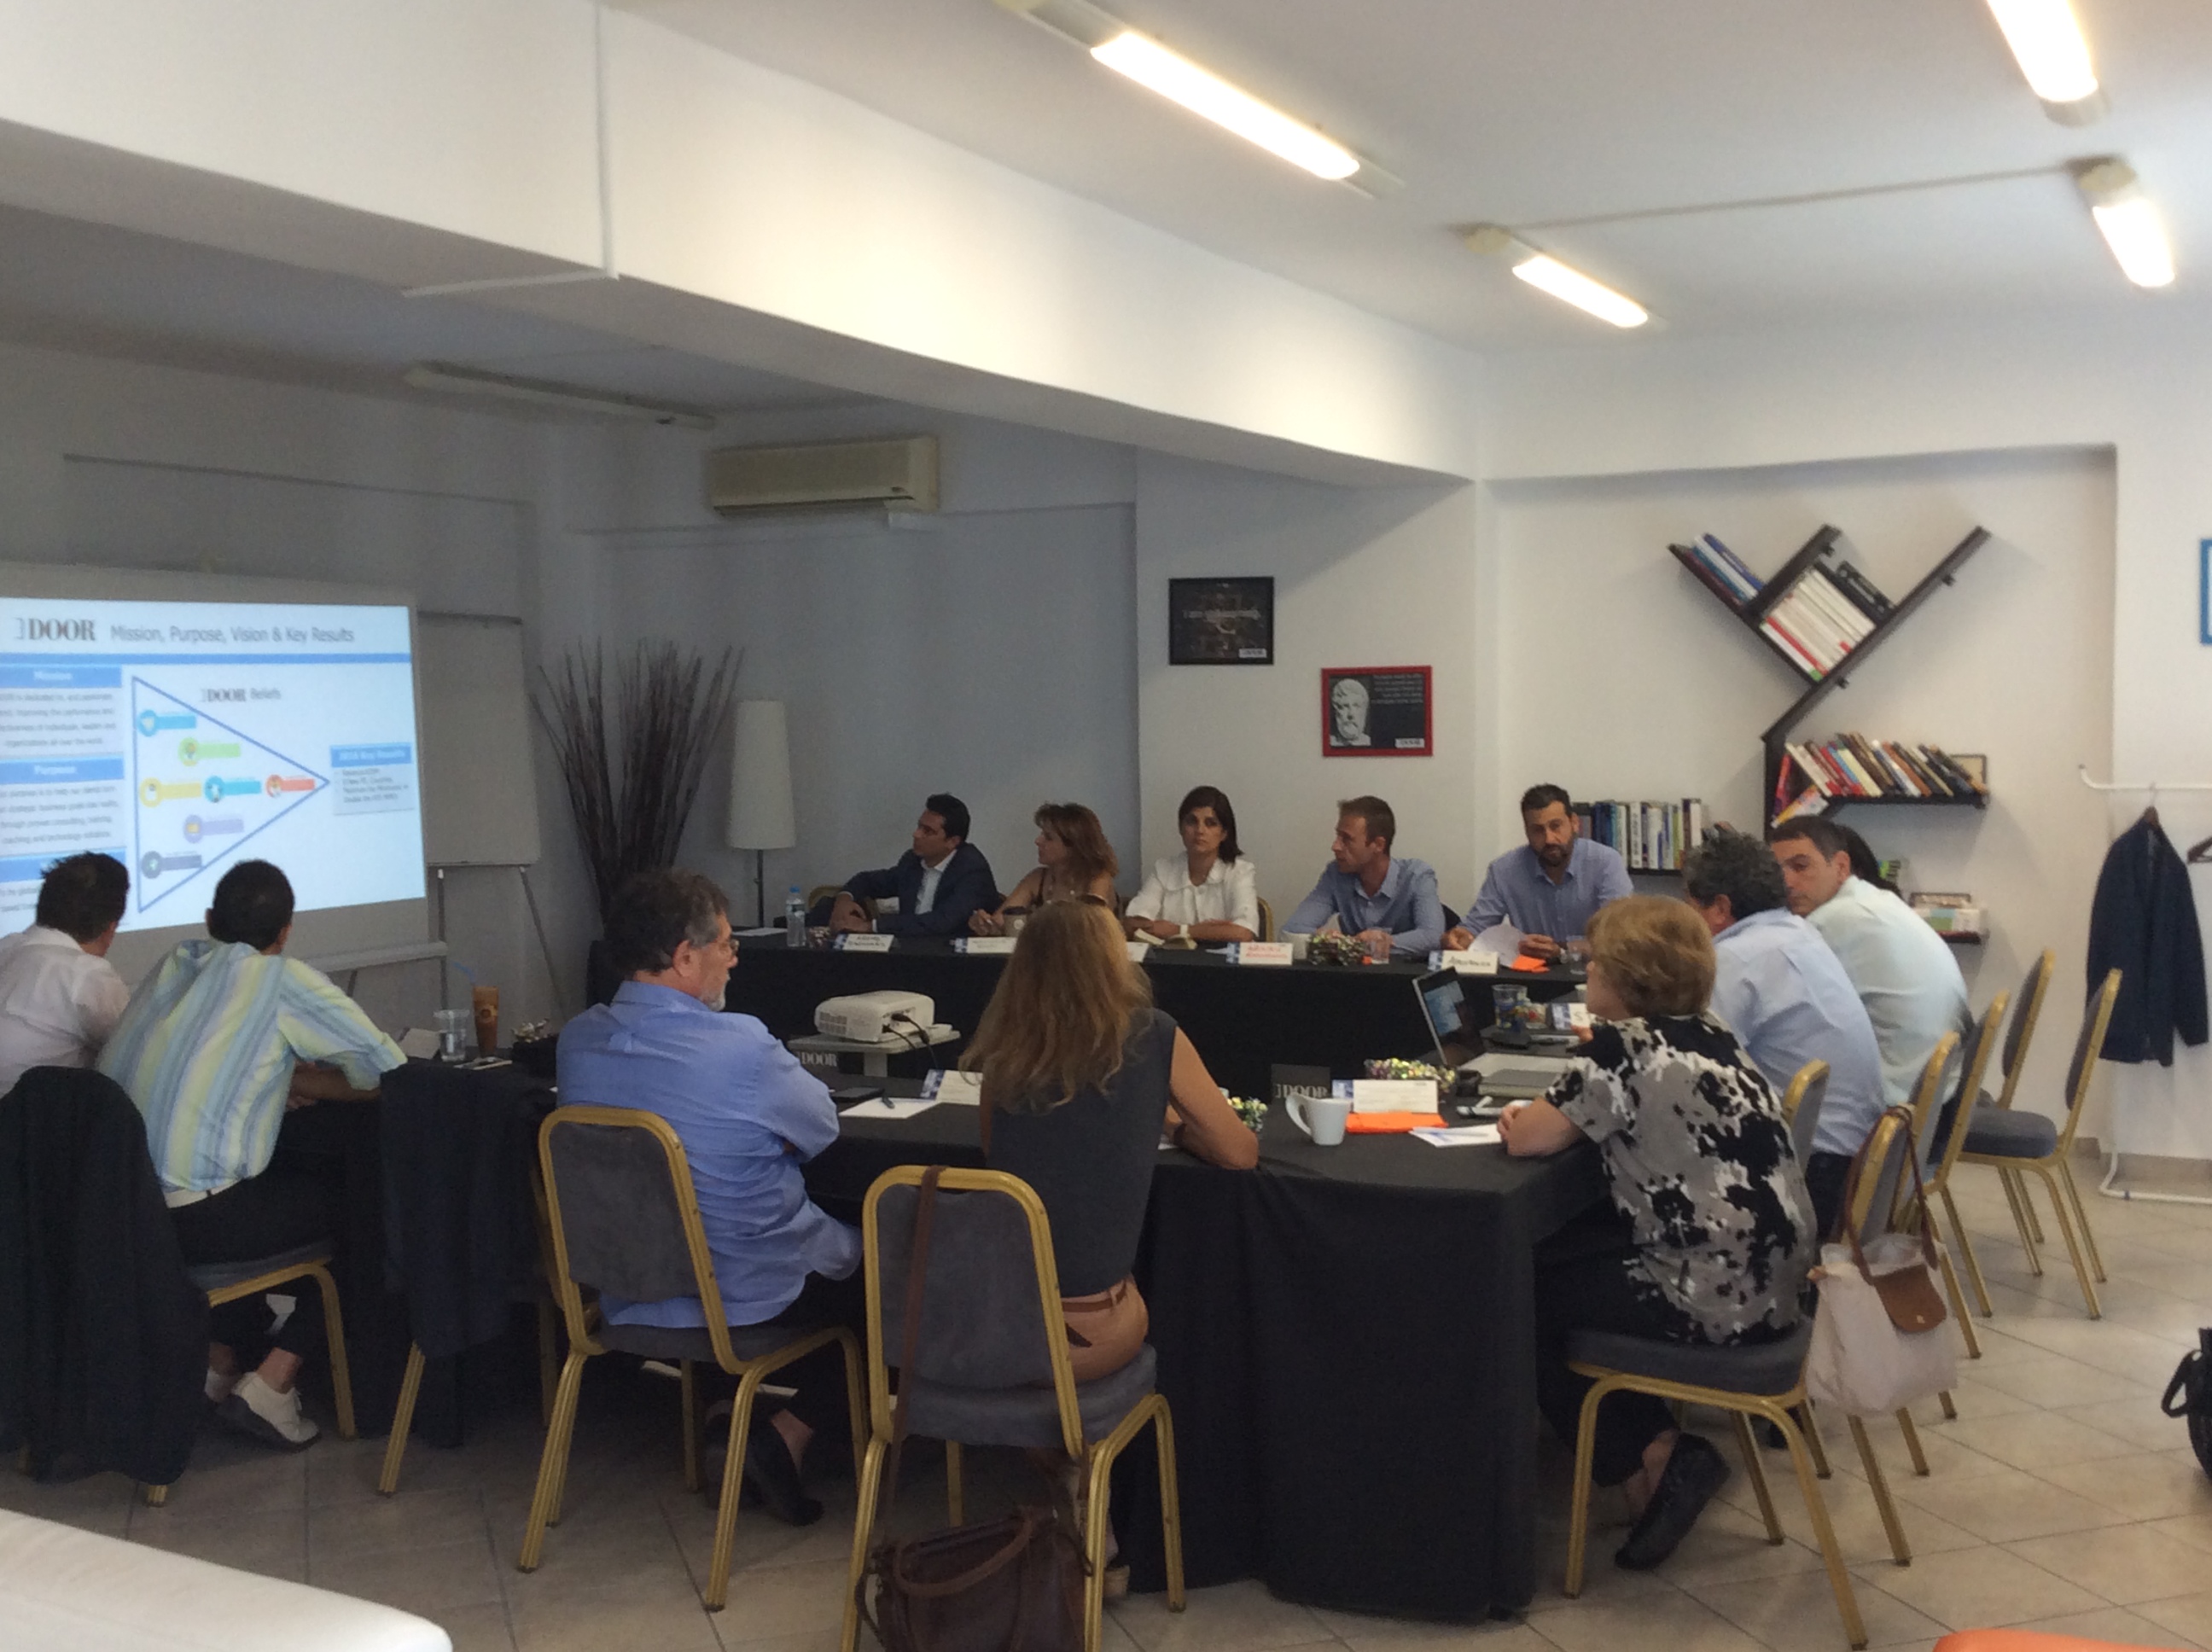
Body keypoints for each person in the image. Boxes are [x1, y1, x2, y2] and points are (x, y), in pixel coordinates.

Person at [1500, 895, 1813, 1571]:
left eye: (1596, 963)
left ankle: (1654, 1455)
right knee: (1559, 1263)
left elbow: (1529, 1140)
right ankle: (1655, 1452)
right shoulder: (1712, 1032)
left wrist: (1518, 1117)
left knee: (1510, 1295)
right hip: (1776, 1283)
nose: (1588, 972)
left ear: (1627, 976)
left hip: (1711, 1294)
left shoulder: (1620, 1049)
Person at [963, 898, 1258, 1593]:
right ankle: (1094, 1489)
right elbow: (1239, 1151)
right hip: (1087, 1334)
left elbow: (1000, 1164)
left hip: (983, 1332)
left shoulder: (1003, 1054)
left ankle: (1064, 1472)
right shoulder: (1153, 1035)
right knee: (1152, 1303)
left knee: (1046, 1339)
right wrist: (1173, 1127)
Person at [557, 868, 858, 1526]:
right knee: (891, 1277)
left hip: (627, 1291)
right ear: (685, 957)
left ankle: (726, 1416)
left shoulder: (577, 1041)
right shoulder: (742, 1046)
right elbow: (822, 1128)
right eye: (725, 943)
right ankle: (783, 1436)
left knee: (718, 1233)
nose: (734, 957)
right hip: (744, 1295)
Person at [99, 860, 405, 1451]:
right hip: (202, 1220)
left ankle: (218, 1361)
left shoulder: (173, 965)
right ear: (285, 933)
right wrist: (301, 1078)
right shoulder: (280, 981)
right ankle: (273, 1382)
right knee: (369, 1214)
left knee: (270, 1189)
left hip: (129, 1215)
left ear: (209, 920)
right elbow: (387, 1074)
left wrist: (275, 1075)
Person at [1684, 829, 1886, 1238]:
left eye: (1690, 907)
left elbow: (1688, 1072)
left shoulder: (1734, 959)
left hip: (1813, 1177)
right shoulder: (1799, 932)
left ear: (1720, 909)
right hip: (1856, 1159)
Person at [1770, 817, 1970, 1114]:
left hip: (1898, 1106)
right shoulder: (1877, 899)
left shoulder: (1832, 921)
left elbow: (1778, 1013)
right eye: (1778, 870)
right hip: (1937, 1086)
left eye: (1801, 867)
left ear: (1841, 866)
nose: (1787, 882)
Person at [1446, 784, 1633, 962]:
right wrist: (1458, 938)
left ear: (1574, 823)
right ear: (1526, 832)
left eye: (1555, 826)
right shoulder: (1504, 870)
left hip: (1593, 972)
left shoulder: (1605, 862)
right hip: (1531, 974)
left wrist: (1563, 950)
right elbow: (1476, 928)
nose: (1549, 839)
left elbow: (1619, 938)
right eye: (1537, 830)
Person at [0, 852, 132, 1094]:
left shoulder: (6, 947)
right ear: (110, 929)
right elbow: (137, 1050)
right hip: (29, 1114)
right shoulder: (87, 975)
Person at [1281, 796, 1445, 958]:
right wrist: (1332, 941)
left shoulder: (1417, 875)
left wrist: (1382, 944)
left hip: (1404, 973)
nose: (1335, 846)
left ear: (1378, 845)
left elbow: (1433, 937)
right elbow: (1293, 929)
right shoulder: (1336, 874)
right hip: (1356, 973)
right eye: (1338, 836)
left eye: (1347, 839)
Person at [827, 794, 999, 937]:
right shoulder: (912, 861)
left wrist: (870, 926)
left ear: (952, 842)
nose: (916, 834)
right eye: (919, 826)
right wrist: (844, 899)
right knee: (825, 907)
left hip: (952, 958)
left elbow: (941, 922)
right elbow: (868, 880)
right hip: (909, 951)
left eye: (927, 831)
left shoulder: (973, 871)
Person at [1124, 786, 1260, 944]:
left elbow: (1243, 932)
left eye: (1210, 823)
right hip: (1172, 959)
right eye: (1192, 822)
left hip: (1225, 960)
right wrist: (1213, 930)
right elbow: (1133, 923)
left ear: (1224, 833)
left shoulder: (1240, 872)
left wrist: (1177, 930)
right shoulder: (1163, 870)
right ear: (1181, 828)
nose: (1200, 830)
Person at [969, 803, 1118, 934]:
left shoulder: (1099, 878)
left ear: (1073, 846)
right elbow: (1002, 921)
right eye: (1041, 834)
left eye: (1048, 837)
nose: (1038, 841)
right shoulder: (1037, 878)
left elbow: (1090, 925)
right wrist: (985, 924)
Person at [1327, 676, 1372, 747]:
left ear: (1364, 711)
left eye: (1357, 706)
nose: (1351, 714)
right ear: (1335, 712)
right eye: (1345, 706)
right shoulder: (1328, 742)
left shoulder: (1372, 742)